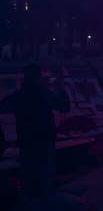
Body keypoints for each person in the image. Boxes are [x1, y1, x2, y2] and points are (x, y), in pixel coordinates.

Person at [0, 64, 70, 202]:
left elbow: (3, 107)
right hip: (44, 143)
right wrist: (60, 88)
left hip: (26, 144)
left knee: (28, 185)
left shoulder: (19, 95)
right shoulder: (45, 94)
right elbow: (64, 106)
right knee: (45, 183)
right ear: (38, 76)